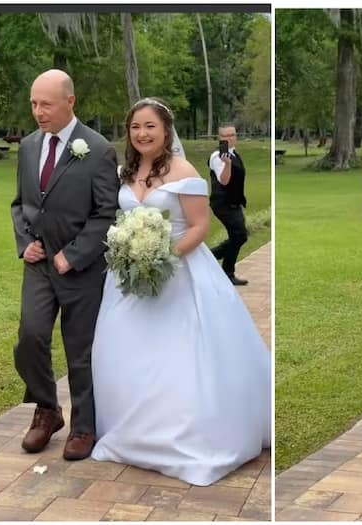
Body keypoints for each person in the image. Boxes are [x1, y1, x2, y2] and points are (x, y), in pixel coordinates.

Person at [89, 98, 271, 486]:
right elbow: (121, 218)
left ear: (166, 130)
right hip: (129, 280)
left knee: (179, 356)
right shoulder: (126, 171)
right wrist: (130, 254)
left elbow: (199, 228)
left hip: (179, 271)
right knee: (128, 353)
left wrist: (161, 257)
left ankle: (184, 438)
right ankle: (134, 433)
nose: (142, 134)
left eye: (150, 126)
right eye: (135, 126)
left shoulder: (183, 170)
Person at [10, 69, 120, 461]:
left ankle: (83, 427)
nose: (38, 112)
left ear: (70, 102)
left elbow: (106, 213)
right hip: (39, 266)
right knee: (30, 338)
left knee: (80, 350)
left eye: (46, 104)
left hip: (81, 268)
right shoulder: (26, 147)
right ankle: (47, 409)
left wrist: (72, 254)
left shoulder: (98, 149)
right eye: (34, 104)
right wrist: (26, 244)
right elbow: (20, 205)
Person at [208, 124, 249, 285]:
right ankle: (213, 260)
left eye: (232, 134)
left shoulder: (235, 154)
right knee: (240, 236)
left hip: (234, 203)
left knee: (239, 237)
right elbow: (224, 180)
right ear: (220, 138)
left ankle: (225, 270)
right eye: (225, 136)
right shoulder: (217, 157)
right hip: (222, 203)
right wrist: (227, 164)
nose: (230, 138)